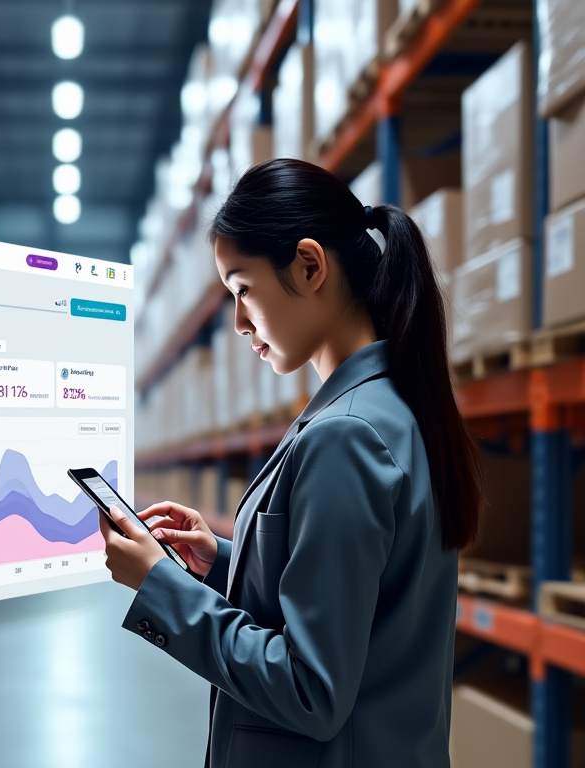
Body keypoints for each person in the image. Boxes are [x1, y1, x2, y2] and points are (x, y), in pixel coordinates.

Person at [101, 158, 483, 768]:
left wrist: (162, 589)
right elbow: (358, 599)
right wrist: (225, 564)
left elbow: (311, 691)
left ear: (309, 266)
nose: (239, 322)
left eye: (243, 289)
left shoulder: (347, 438)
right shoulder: (387, 409)